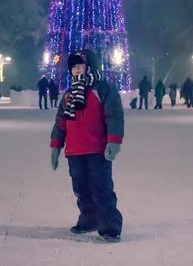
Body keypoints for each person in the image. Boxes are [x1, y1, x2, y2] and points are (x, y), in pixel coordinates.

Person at [50, 49, 124, 243]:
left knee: (101, 188)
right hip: (74, 151)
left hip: (97, 149)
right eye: (73, 66)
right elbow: (61, 122)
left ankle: (109, 225)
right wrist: (56, 145)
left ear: (90, 66)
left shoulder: (103, 90)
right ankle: (89, 219)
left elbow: (114, 116)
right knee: (81, 188)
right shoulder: (69, 96)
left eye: (79, 65)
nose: (76, 69)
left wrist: (114, 140)